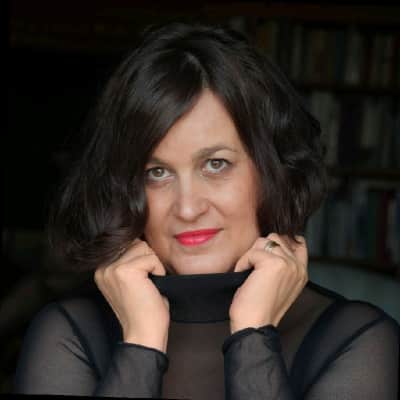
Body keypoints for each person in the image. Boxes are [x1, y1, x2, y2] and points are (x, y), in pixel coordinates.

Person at [14, 22, 399, 399]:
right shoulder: (68, 334)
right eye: (157, 172)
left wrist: (253, 337)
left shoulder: (358, 340)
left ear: (272, 171)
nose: (187, 208)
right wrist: (141, 344)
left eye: (216, 164)